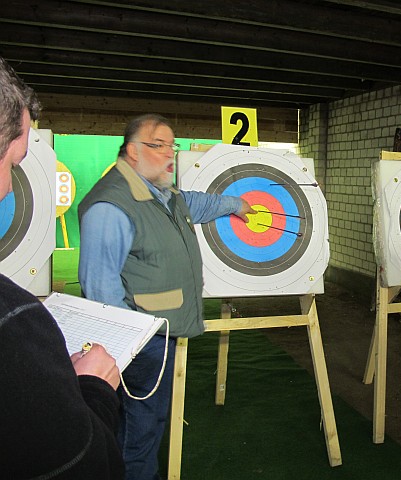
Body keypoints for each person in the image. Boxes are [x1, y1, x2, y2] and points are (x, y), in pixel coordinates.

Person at [78, 113, 254, 480]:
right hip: (140, 340)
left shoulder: (161, 193)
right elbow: (100, 290)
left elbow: (195, 203)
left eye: (171, 145)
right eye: (157, 145)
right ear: (131, 152)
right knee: (139, 426)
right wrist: (130, 345)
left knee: (145, 421)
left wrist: (236, 205)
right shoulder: (111, 206)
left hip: (158, 331)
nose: (169, 154)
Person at [0, 58, 124, 478]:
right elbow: (82, 464)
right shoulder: (15, 322)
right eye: (13, 165)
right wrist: (94, 390)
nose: (7, 189)